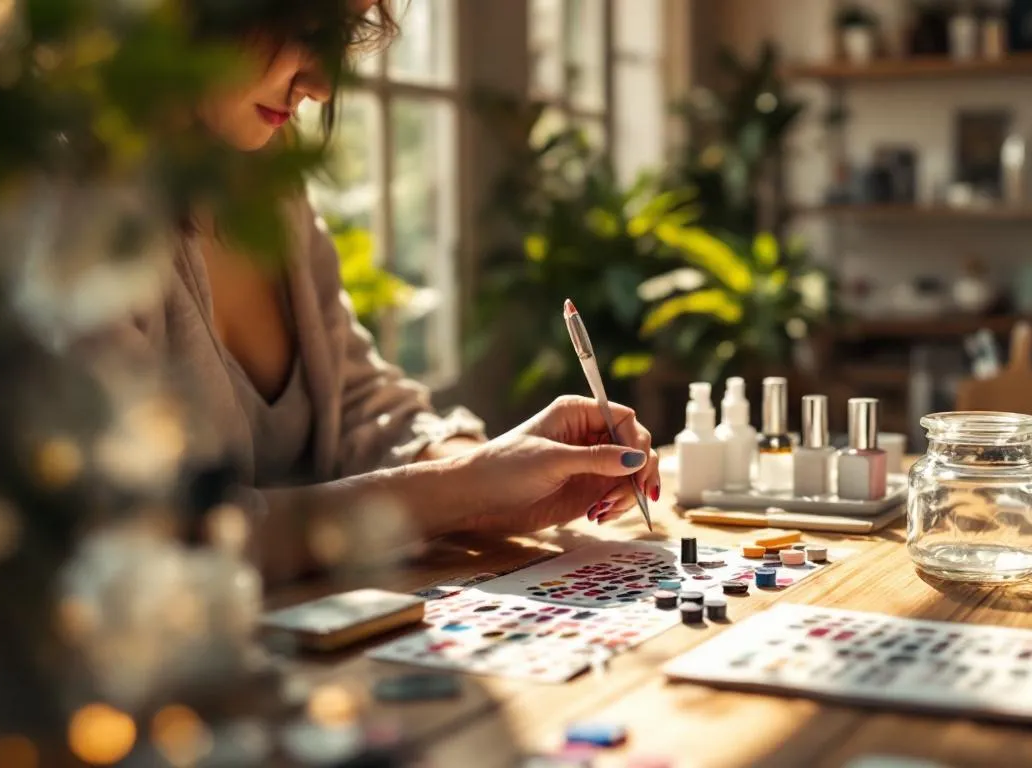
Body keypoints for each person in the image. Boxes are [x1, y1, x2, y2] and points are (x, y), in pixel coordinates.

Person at [83, 0, 660, 583]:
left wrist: (504, 475)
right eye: (301, 26)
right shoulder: (69, 218)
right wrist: (464, 488)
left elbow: (361, 403)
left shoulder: (270, 186)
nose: (322, 85)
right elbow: (152, 533)